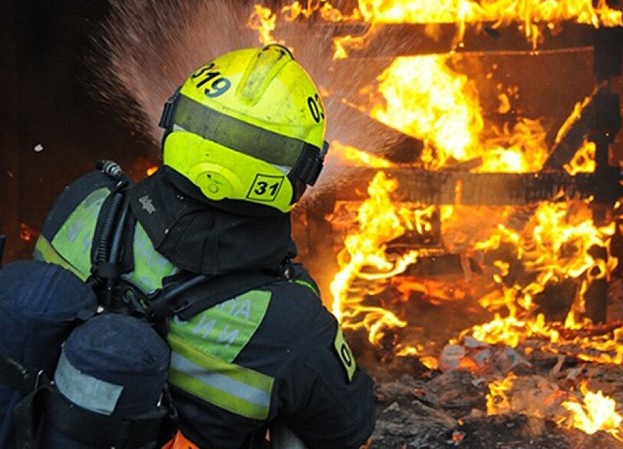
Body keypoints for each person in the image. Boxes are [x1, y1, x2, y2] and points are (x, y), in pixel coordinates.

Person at [31, 44, 376, 448]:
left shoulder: (85, 202)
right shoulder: (292, 326)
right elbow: (350, 430)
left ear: (175, 122)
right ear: (299, 175)